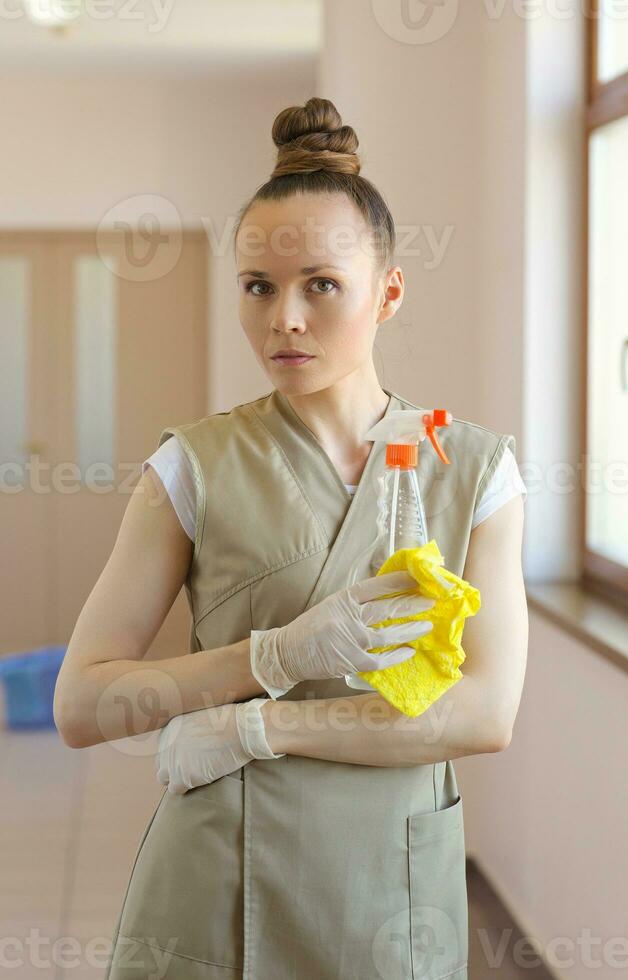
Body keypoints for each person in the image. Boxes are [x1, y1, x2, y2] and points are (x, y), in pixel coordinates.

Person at [55, 97, 528, 980]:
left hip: (390, 889)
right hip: (217, 884)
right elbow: (82, 706)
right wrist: (272, 653)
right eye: (259, 287)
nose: (286, 320)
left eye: (322, 284)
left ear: (388, 291)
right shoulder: (191, 469)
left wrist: (259, 728)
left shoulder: (473, 470)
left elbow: (483, 713)